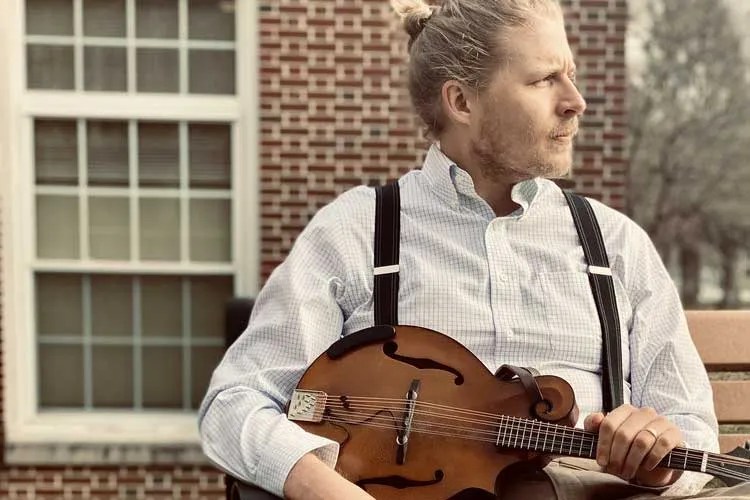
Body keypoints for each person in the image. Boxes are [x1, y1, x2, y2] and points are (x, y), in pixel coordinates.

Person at [199, 1, 749, 498]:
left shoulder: (615, 244)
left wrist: (661, 464)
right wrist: (322, 487)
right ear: (461, 100)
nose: (575, 102)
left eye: (571, 76)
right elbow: (236, 403)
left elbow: (693, 434)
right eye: (544, 80)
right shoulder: (357, 229)